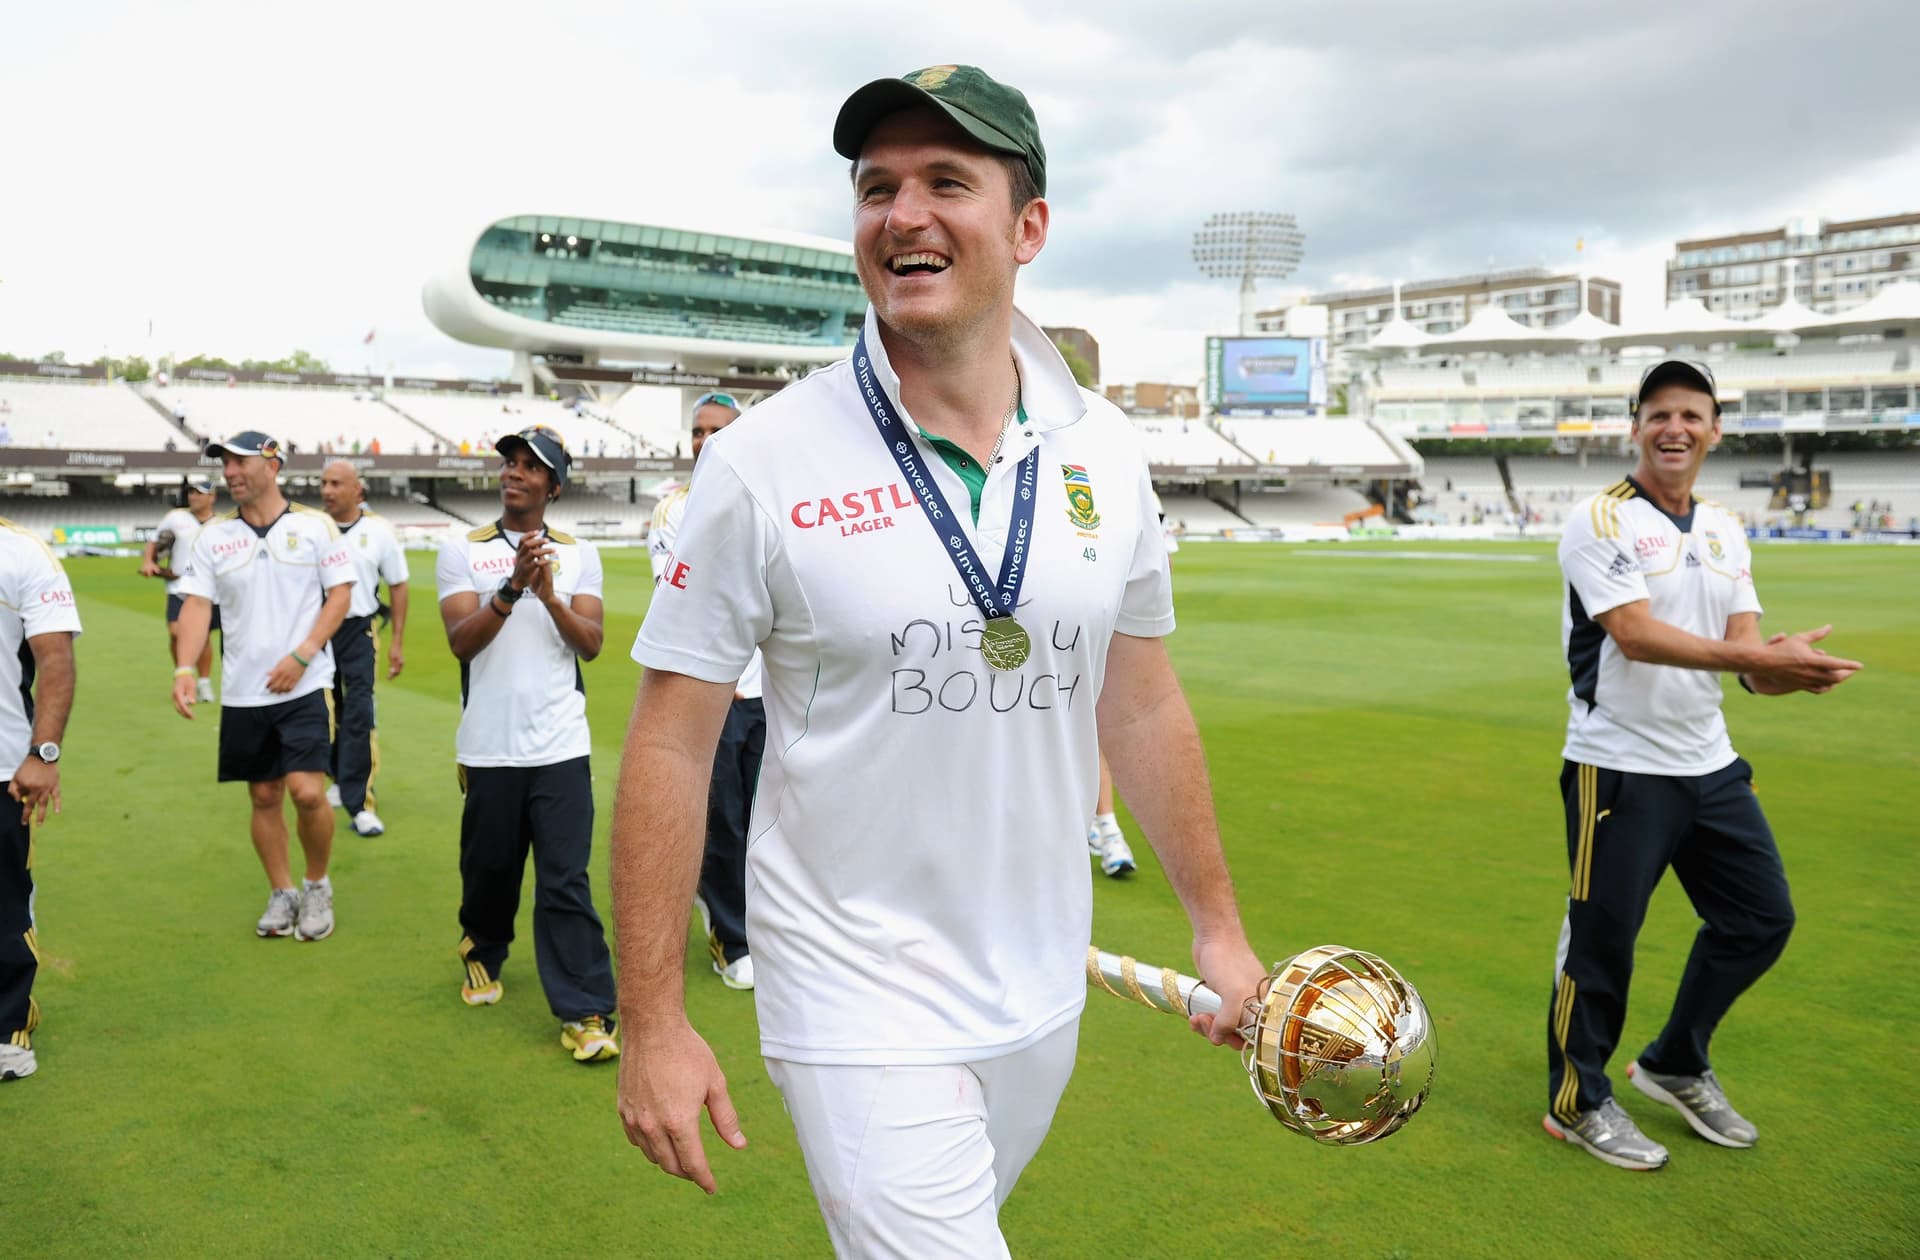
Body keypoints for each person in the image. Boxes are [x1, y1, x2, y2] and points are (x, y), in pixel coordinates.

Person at [611, 64, 1265, 1254]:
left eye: (946, 182)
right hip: (852, 985)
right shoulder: (762, 458)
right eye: (877, 188)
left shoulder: (1106, 450)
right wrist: (652, 1018)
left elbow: (1141, 700)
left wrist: (1215, 927)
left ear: (1029, 228)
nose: (902, 214)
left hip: (1041, 981)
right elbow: (671, 738)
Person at [1544, 360, 1862, 1171]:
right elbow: (1636, 634)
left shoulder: (1725, 529)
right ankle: (1580, 1102)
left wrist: (1790, 670)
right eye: (1658, 414)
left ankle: (1675, 1061)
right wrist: (1753, 658)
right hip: (1617, 763)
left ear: (1715, 430)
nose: (1674, 428)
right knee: (1603, 943)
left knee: (1761, 919)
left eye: (1691, 414)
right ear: (1635, 428)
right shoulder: (1601, 518)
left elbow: (1747, 666)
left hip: (1709, 763)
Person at [435, 425, 619, 1065]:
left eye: (530, 466)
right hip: (488, 745)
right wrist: (512, 589)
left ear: (554, 486)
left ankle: (587, 1011)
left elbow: (591, 644)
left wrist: (548, 594)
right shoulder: (462, 549)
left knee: (566, 881)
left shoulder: (580, 554)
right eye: (510, 462)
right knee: (490, 874)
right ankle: (482, 948)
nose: (514, 472)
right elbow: (461, 640)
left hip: (561, 743)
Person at [171, 431, 356, 942]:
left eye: (239, 463)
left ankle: (317, 884)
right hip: (243, 691)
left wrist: (303, 654)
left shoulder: (314, 527)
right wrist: (185, 668)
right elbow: (196, 606)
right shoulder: (213, 538)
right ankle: (283, 892)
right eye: (224, 465)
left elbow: (341, 596)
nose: (229, 473)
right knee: (264, 794)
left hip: (306, 683)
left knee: (307, 791)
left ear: (272, 465)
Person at [647, 391, 760, 991]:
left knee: (768, 818)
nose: (703, 440)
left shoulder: (772, 497)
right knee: (723, 820)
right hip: (715, 692)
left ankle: (757, 924)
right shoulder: (673, 512)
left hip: (771, 692)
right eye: (696, 430)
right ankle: (728, 939)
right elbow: (691, 596)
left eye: (716, 429)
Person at [0, 518, 79, 1082]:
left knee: (4, 904)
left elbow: (54, 659)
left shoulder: (24, 553)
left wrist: (43, 754)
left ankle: (8, 1029)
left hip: (2, 765)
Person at [318, 460, 410, 838]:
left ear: (357, 490)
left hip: (358, 633)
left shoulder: (379, 531)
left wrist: (398, 643)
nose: (327, 490)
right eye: (323, 483)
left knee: (359, 714)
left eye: (336, 483)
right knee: (324, 714)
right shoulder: (311, 528)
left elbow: (398, 585)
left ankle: (362, 805)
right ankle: (337, 778)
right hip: (318, 633)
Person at [142, 477, 223, 704]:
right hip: (178, 586)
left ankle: (204, 682)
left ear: (212, 496)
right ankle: (183, 673)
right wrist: (149, 561)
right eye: (191, 492)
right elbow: (154, 541)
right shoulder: (175, 517)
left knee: (203, 636)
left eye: (199, 493)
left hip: (208, 589)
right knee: (176, 632)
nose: (193, 496)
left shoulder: (222, 524)